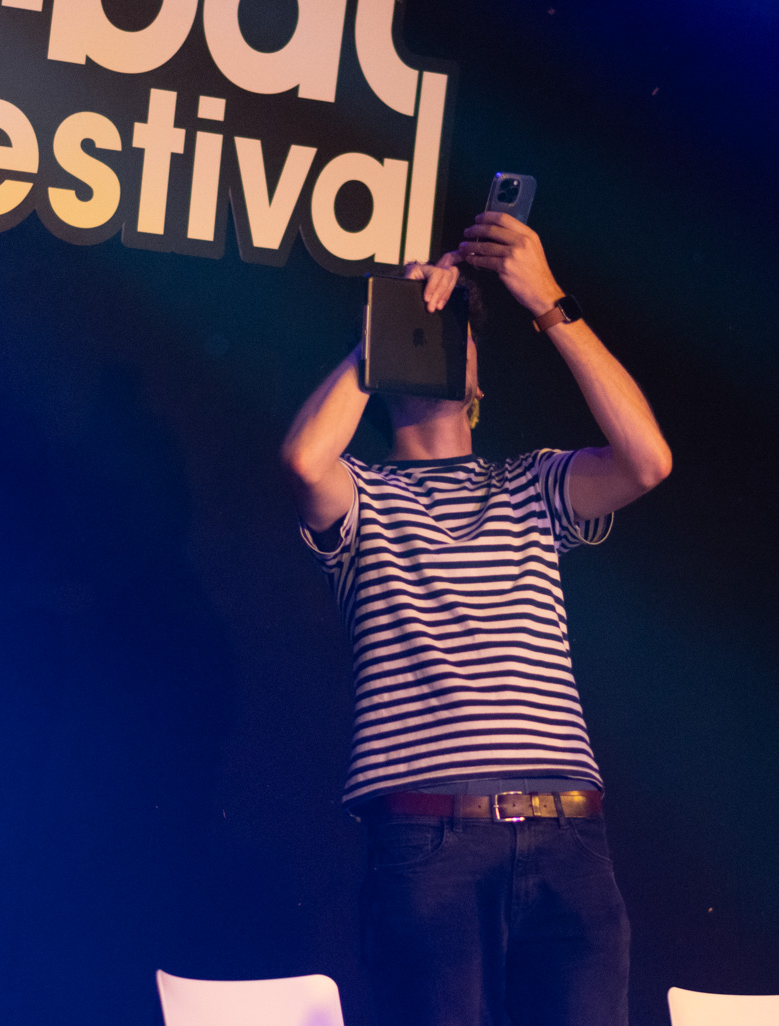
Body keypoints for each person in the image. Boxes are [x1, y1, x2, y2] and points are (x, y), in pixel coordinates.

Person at [280, 212, 672, 1026]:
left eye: (447, 329)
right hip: (430, 841)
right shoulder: (362, 495)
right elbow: (303, 461)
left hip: (567, 836)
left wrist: (548, 302)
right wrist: (383, 327)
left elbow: (646, 461)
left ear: (479, 382)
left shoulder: (532, 482)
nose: (429, 334)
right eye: (414, 329)